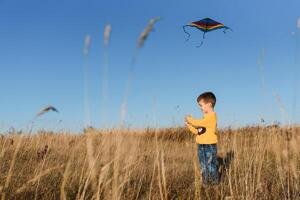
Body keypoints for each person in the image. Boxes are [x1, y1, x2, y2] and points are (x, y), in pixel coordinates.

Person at [185, 91, 219, 185]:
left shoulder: (212, 117)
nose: (200, 108)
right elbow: (197, 131)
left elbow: (197, 123)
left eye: (201, 105)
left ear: (209, 104)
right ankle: (205, 182)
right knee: (203, 165)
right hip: (201, 145)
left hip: (209, 145)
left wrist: (189, 119)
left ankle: (214, 183)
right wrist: (189, 126)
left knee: (210, 165)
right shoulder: (204, 119)